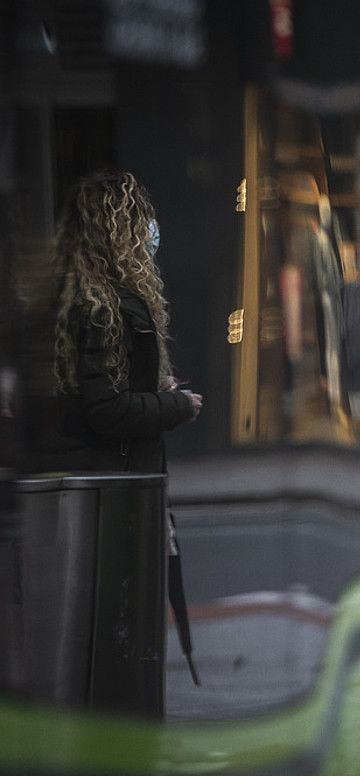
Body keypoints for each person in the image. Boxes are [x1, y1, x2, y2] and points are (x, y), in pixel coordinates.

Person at [26, 170, 204, 687]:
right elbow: (107, 410)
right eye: (140, 220)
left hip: (109, 482)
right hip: (121, 487)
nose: (150, 230)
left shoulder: (80, 297)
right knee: (123, 638)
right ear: (120, 229)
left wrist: (156, 385)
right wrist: (176, 404)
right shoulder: (104, 307)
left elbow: (96, 391)